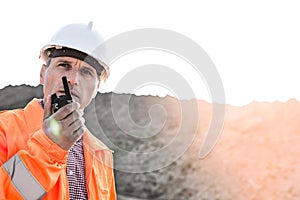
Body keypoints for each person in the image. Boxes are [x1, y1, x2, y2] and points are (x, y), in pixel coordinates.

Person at [0, 22, 116, 199]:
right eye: (64, 65)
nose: (72, 79)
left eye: (86, 72)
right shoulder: (4, 129)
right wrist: (50, 147)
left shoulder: (102, 154)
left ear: (97, 88)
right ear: (42, 73)